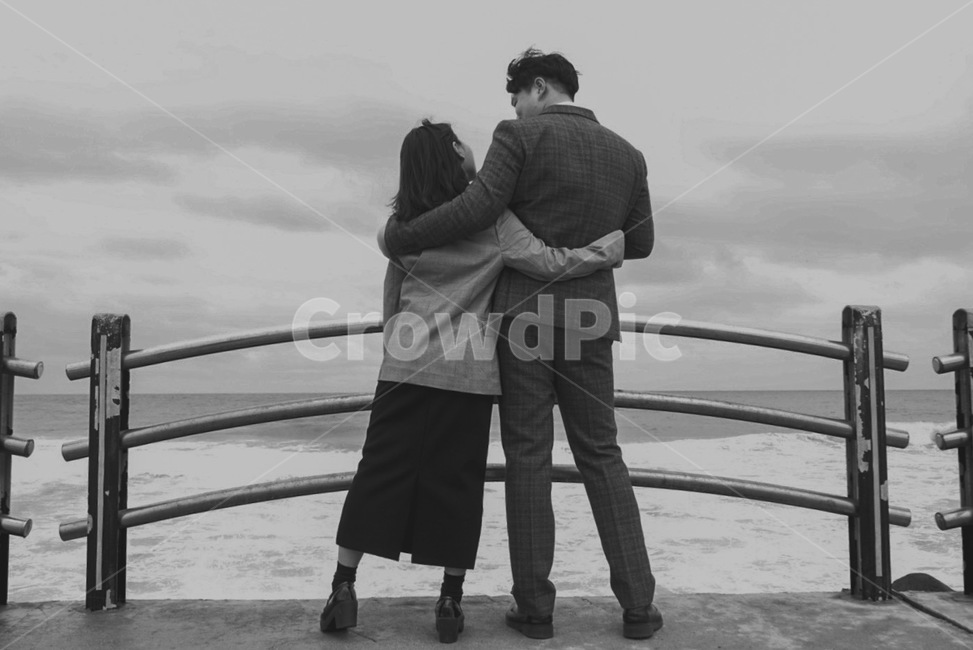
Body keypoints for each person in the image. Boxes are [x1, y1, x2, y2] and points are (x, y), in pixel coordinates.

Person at [382, 49, 661, 640]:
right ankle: (639, 606)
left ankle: (535, 609)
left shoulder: (519, 136)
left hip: (524, 319)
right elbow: (641, 242)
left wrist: (402, 236)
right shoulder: (627, 153)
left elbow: (477, 209)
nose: (512, 107)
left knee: (528, 459)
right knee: (602, 456)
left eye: (516, 95)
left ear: (538, 88)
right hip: (589, 317)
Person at [319, 119, 625, 643]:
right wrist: (605, 250)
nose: (470, 146)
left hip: (404, 366)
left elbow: (392, 301)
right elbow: (546, 262)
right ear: (453, 154)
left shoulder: (404, 227)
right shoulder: (492, 222)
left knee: (378, 475)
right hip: (470, 372)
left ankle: (343, 588)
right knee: (456, 484)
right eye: (460, 140)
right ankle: (449, 601)